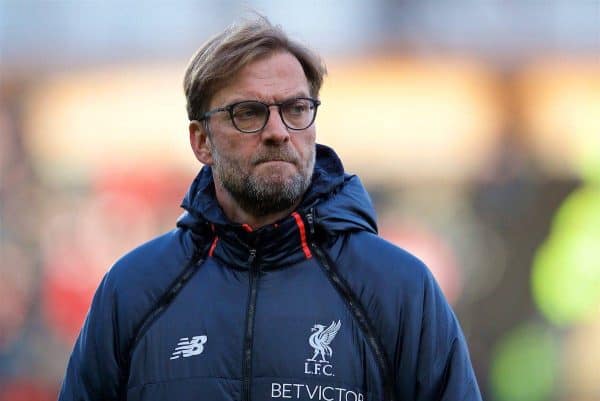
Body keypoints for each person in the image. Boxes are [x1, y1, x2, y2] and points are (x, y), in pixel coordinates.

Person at [58, 15, 482, 401]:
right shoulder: (134, 290)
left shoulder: (397, 289)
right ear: (201, 141)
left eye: (296, 109)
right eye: (249, 113)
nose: (278, 132)